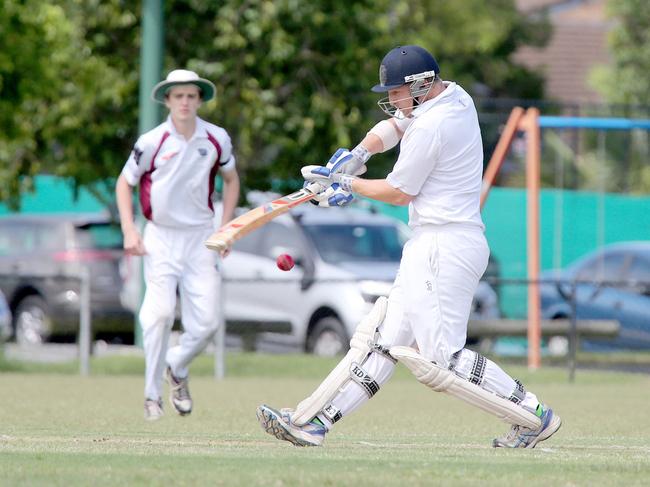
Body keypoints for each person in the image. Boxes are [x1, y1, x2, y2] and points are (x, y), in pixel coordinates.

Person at [256, 45, 561, 448]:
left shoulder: (436, 126)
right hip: (432, 242)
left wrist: (344, 184)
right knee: (382, 341)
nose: (393, 99)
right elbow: (396, 125)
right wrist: (359, 154)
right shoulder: (454, 94)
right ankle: (315, 423)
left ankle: (535, 415)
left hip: (445, 244)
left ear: (422, 85)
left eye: (397, 90)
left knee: (442, 360)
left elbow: (399, 192)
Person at [116, 69, 240, 421]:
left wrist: (227, 226)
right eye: (178, 96)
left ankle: (177, 366)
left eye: (191, 96)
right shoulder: (151, 141)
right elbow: (124, 184)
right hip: (160, 238)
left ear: (199, 100)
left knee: (206, 324)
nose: (185, 102)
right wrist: (129, 229)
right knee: (157, 315)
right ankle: (151, 395)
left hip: (201, 238)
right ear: (167, 100)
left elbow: (231, 180)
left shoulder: (216, 139)